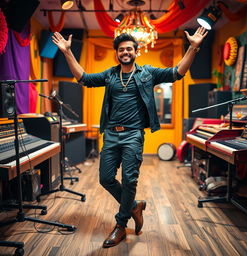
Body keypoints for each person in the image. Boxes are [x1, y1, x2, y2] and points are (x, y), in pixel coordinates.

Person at [52, 27, 208, 248]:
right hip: (111, 136)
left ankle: (120, 225)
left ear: (136, 51)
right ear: (117, 53)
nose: (125, 52)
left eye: (129, 49)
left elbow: (177, 73)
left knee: (129, 180)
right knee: (106, 179)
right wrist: (67, 52)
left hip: (134, 135)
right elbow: (83, 78)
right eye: (121, 50)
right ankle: (134, 206)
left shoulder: (148, 73)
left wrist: (193, 47)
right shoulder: (110, 75)